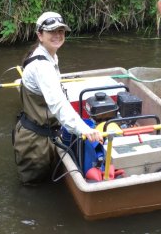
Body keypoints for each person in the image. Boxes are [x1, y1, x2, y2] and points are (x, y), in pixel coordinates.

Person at [12, 11, 103, 184]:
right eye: (52, 31)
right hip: (34, 143)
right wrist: (85, 130)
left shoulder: (50, 56)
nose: (58, 35)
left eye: (61, 31)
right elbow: (58, 104)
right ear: (40, 35)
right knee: (33, 190)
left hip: (45, 134)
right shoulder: (42, 66)